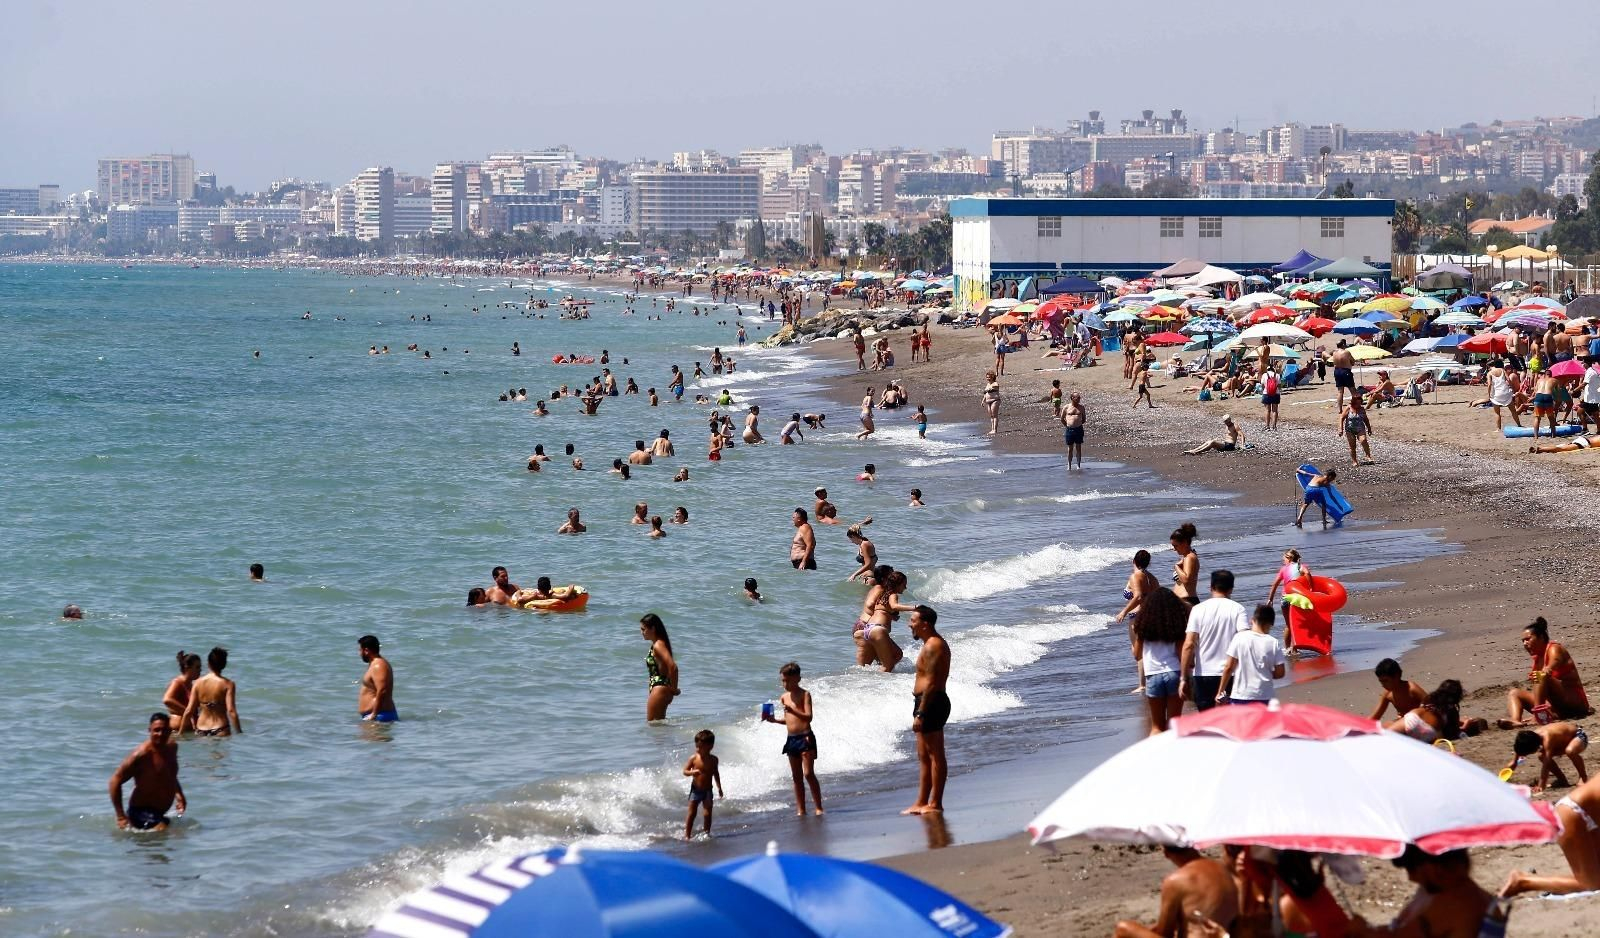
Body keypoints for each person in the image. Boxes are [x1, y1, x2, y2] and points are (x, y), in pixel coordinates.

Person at [1350, 847, 1507, 938]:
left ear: (1435, 867)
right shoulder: (1473, 896)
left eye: (1411, 867)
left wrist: (1362, 929)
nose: (1411, 877)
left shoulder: (1455, 904)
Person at [1500, 774, 1600, 897]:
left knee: (1595, 877)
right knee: (1591, 884)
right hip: (1573, 813)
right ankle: (1524, 881)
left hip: (1589, 815)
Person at [1113, 845, 1238, 938]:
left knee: (1123, 928)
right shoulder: (1223, 869)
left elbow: (1165, 933)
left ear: (1165, 853)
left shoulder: (1176, 880)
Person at [903, 605, 950, 816]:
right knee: (923, 755)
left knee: (935, 754)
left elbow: (931, 682)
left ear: (925, 624)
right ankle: (921, 802)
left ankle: (935, 803)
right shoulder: (929, 644)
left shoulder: (933, 645)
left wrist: (921, 713)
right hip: (925, 701)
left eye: (912, 621)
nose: (909, 624)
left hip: (931, 702)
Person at [1180, 570, 1249, 711]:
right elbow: (1245, 640)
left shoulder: (1198, 610)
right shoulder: (1238, 609)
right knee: (1230, 718)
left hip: (1203, 674)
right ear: (1231, 588)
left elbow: (1189, 644)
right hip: (1231, 673)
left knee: (1207, 719)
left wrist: (1183, 677)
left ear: (1211, 587)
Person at [1502, 617, 1591, 727]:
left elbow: (1555, 660)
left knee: (1541, 675)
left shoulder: (1554, 648)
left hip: (1575, 702)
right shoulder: (1538, 658)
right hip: (1558, 707)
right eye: (1523, 641)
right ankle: (1516, 720)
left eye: (1528, 639)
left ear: (1541, 637)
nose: (1525, 644)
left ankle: (1538, 715)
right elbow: (1543, 692)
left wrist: (1549, 668)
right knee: (1514, 693)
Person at [762, 662, 824, 816]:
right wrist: (775, 721)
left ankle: (818, 807)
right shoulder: (783, 698)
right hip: (791, 740)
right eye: (783, 681)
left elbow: (808, 717)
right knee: (796, 777)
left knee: (808, 774)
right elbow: (790, 720)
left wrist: (793, 710)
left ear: (798, 679)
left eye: (788, 681)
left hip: (806, 737)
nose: (785, 684)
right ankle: (801, 809)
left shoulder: (805, 695)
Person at [109, 713, 186, 830]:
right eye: (156, 730)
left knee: (178, 835)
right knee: (166, 831)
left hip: (159, 813)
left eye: (164, 730)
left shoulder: (172, 747)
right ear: (149, 730)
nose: (160, 734)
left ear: (170, 730)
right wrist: (121, 816)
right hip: (140, 812)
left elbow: (170, 773)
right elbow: (114, 781)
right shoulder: (141, 755)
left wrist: (179, 794)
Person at [1132, 587, 1189, 734]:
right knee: (1174, 725)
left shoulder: (1143, 628)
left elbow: (1137, 655)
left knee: (1157, 727)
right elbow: (1181, 654)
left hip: (1153, 675)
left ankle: (1156, 749)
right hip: (1174, 672)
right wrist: (1187, 675)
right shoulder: (1176, 626)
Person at [1215, 605, 1288, 705]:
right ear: (1271, 624)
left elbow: (1229, 667)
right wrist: (1266, 673)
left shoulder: (1239, 638)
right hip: (1265, 695)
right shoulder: (1273, 642)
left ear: (1252, 620)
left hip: (1241, 695)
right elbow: (1280, 673)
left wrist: (1220, 691)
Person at [1115, 549, 1162, 693]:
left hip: (1137, 617)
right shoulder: (1153, 578)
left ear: (1134, 561)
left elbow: (1138, 596)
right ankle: (1152, 679)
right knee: (1148, 650)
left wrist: (1124, 611)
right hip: (1151, 615)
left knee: (1138, 650)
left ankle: (1142, 684)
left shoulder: (1135, 576)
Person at [1507, 723, 1589, 792]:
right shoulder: (1527, 739)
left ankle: (1583, 777)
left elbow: (1546, 763)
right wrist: (1503, 777)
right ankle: (1562, 780)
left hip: (1578, 736)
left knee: (1569, 751)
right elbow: (1515, 761)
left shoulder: (1547, 738)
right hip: (1562, 742)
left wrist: (1541, 785)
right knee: (1541, 756)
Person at [181, 646, 242, 736]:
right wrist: (239, 732)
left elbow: (189, 710)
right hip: (221, 728)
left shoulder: (197, 683)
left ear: (208, 663)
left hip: (201, 729)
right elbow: (231, 711)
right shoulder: (228, 684)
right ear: (224, 665)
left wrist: (180, 733)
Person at [682, 729, 722, 839]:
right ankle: (687, 835)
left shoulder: (714, 759)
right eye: (697, 747)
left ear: (710, 747)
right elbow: (685, 771)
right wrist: (692, 772)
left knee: (707, 813)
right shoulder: (694, 758)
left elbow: (716, 773)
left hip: (708, 790)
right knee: (692, 813)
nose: (697, 749)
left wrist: (719, 788)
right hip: (696, 790)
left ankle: (706, 833)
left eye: (700, 747)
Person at [641, 613, 679, 722]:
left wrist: (674, 689)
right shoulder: (659, 644)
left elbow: (673, 667)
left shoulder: (658, 645)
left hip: (659, 689)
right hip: (661, 688)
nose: (641, 632)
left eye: (643, 629)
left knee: (653, 726)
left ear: (653, 629)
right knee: (659, 728)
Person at [1265, 549, 1306, 650]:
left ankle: (1288, 649)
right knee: (1297, 624)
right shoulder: (1301, 567)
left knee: (1288, 624)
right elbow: (1307, 578)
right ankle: (1295, 648)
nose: (1283, 561)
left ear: (1288, 558)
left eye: (1284, 559)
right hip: (1298, 599)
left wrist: (1270, 599)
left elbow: (1275, 584)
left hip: (1286, 598)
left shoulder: (1284, 569)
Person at [1369, 658, 1428, 722]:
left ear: (1396, 676)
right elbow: (1375, 716)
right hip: (1403, 721)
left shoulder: (1412, 688)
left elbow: (1432, 704)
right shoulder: (1388, 694)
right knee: (1387, 725)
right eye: (1381, 681)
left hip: (1420, 720)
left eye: (1386, 681)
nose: (1383, 684)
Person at [358, 635, 397, 722]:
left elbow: (382, 690)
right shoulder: (375, 664)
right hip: (376, 716)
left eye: (360, 650)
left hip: (380, 716)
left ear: (366, 650)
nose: (359, 654)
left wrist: (374, 714)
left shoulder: (378, 665)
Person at [162, 651, 202, 734]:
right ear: (187, 667)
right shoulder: (177, 682)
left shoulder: (191, 685)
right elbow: (167, 699)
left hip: (189, 733)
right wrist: (188, 712)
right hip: (177, 733)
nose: (200, 670)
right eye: (197, 667)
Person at [1169, 522, 1200, 604]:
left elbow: (1186, 580)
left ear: (1185, 542)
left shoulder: (1189, 557)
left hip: (1187, 601)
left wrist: (1176, 567)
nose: (1174, 549)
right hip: (1183, 601)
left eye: (1176, 546)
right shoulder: (1187, 557)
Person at [1339, 395, 1374, 466]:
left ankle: (1368, 456)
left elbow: (1366, 419)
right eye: (1357, 403)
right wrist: (1340, 429)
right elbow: (1341, 418)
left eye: (1360, 403)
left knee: (1363, 440)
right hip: (1349, 429)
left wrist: (1369, 429)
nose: (1358, 405)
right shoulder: (1348, 408)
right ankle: (1354, 461)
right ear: (1353, 402)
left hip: (1360, 428)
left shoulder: (1362, 409)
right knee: (1352, 446)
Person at [1061, 391, 1086, 470]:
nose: (1079, 399)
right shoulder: (1066, 407)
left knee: (1078, 447)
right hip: (1069, 429)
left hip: (1079, 429)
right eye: (1077, 398)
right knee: (1070, 448)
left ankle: (1078, 465)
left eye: (1079, 398)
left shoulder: (1081, 407)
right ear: (1072, 398)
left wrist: (1078, 424)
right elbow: (1062, 419)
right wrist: (1068, 425)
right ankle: (1069, 465)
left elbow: (1084, 419)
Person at [1330, 342, 1356, 410]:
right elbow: (1353, 362)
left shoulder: (1334, 352)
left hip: (1337, 371)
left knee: (1340, 391)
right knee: (1352, 390)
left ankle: (1340, 409)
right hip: (1346, 371)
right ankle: (1355, 407)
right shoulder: (1346, 352)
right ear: (1343, 345)